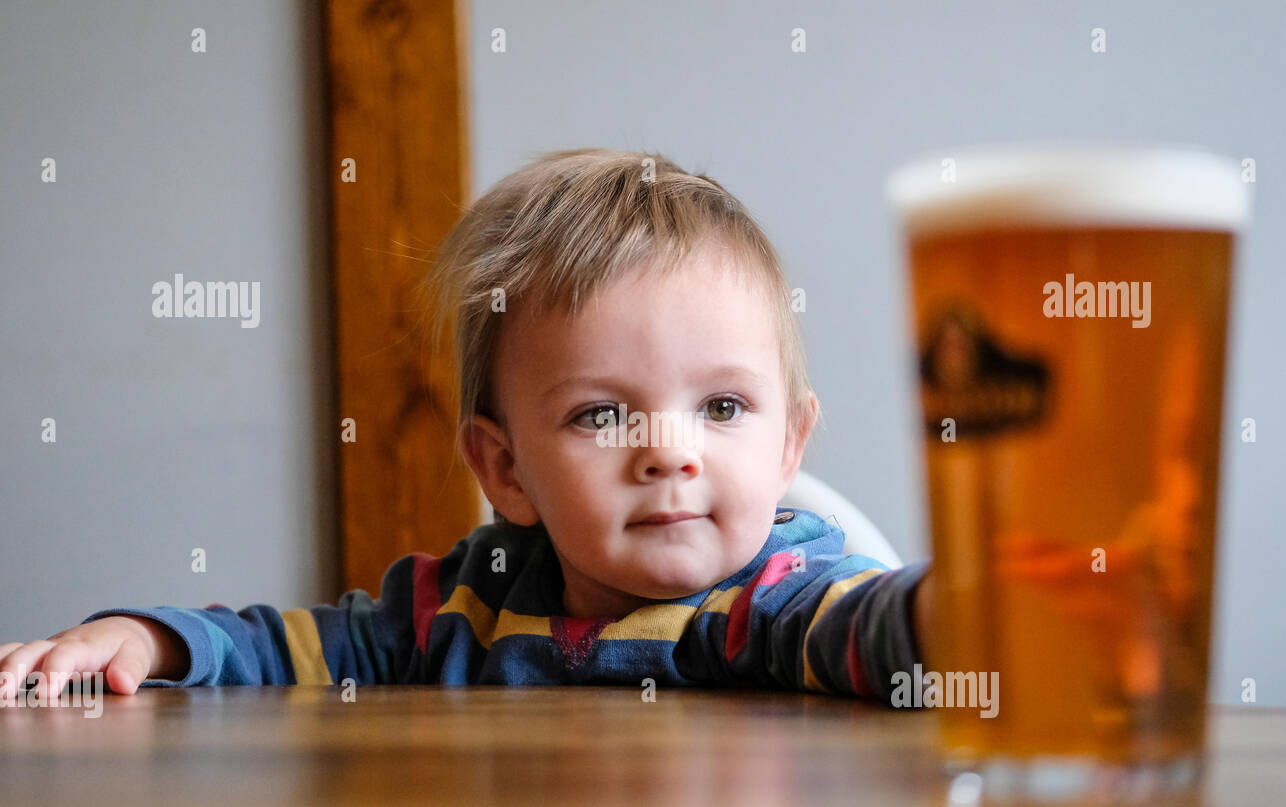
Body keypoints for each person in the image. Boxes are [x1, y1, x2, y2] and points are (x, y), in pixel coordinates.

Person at [0, 147, 934, 702]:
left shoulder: (772, 600)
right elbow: (292, 652)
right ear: (505, 468)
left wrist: (968, 616)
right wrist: (150, 640)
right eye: (602, 414)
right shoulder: (470, 603)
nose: (670, 453)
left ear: (788, 445)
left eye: (722, 408)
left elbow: (871, 633)